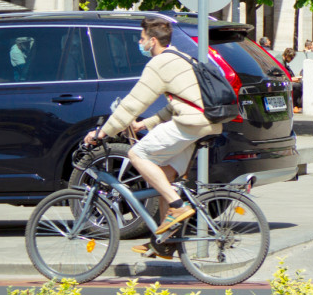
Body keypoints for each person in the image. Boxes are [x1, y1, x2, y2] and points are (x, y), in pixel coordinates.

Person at [82, 18, 222, 257]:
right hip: (205, 122)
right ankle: (164, 241)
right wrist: (144, 124)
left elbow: (133, 103)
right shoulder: (180, 57)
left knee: (137, 154)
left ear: (153, 40)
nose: (140, 43)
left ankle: (177, 207)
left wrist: (103, 132)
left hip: (192, 122)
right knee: (164, 176)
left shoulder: (160, 63)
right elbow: (177, 103)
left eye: (142, 38)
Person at [281, 47, 304, 112]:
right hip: (282, 82)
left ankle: (298, 105)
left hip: (286, 80)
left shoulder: (283, 61)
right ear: (287, 56)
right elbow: (281, 77)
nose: (291, 60)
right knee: (297, 85)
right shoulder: (280, 62)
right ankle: (294, 106)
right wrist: (291, 79)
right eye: (291, 58)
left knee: (300, 84)